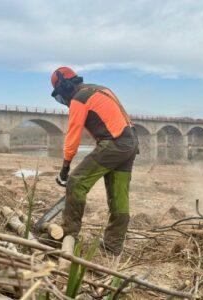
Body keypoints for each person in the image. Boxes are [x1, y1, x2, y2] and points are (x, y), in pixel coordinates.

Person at [51, 66, 138, 255]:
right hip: (130, 142)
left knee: (76, 181)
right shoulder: (100, 89)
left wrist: (65, 168)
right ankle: (113, 246)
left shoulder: (79, 99)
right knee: (119, 197)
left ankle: (68, 233)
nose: (63, 99)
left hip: (114, 143)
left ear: (65, 87)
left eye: (61, 94)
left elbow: (73, 135)